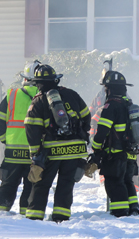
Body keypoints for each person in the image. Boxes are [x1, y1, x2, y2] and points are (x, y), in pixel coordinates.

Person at [23, 64, 90, 222]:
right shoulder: (72, 94)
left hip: (51, 152)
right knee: (66, 184)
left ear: (37, 83)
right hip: (75, 151)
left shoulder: (38, 101)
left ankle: (34, 217)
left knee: (41, 183)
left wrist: (35, 156)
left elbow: (31, 128)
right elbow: (86, 117)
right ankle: (61, 216)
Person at [88, 71, 139, 217]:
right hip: (130, 153)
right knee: (127, 181)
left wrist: (96, 147)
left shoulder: (110, 106)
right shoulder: (128, 104)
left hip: (115, 154)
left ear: (109, 89)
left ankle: (120, 211)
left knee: (114, 182)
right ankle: (133, 208)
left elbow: (102, 131)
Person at [0, 61, 41, 214]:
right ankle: (25, 215)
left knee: (8, 184)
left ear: (24, 79)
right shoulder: (45, 97)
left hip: (13, 152)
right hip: (35, 153)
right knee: (31, 185)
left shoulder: (12, 95)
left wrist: (6, 140)